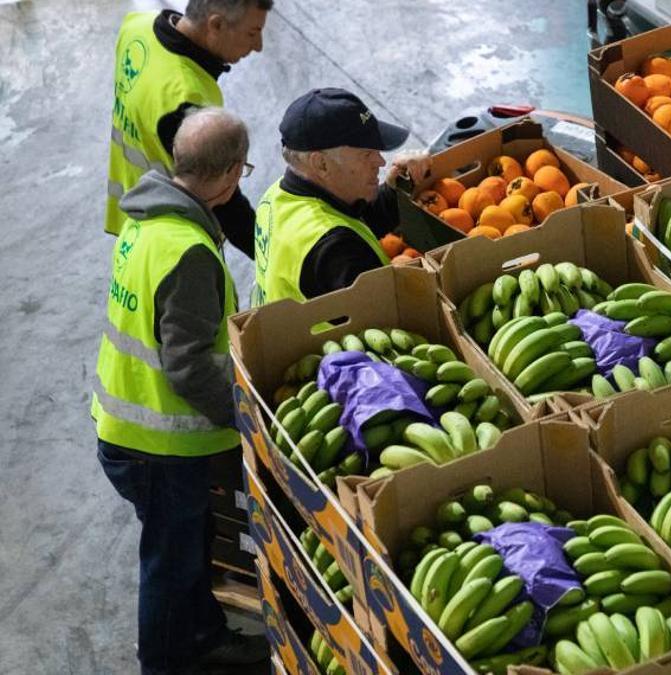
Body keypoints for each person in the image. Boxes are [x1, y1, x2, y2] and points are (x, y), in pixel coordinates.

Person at [94, 108, 268, 674]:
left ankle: (202, 634)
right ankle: (167, 660)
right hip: (159, 445)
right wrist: (251, 416)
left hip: (123, 424)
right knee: (169, 562)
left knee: (186, 548)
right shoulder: (188, 249)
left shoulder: (149, 219)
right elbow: (190, 368)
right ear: (231, 175)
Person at [107, 0, 272, 259]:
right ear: (215, 24)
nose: (258, 46)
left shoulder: (138, 27)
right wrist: (274, 256)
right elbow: (227, 204)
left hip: (132, 210)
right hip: (173, 237)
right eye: (252, 33)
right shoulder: (186, 101)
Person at [252, 87, 431, 306]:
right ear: (321, 164)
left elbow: (356, 223)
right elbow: (392, 314)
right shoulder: (334, 251)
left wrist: (394, 190)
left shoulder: (276, 195)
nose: (381, 162)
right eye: (366, 154)